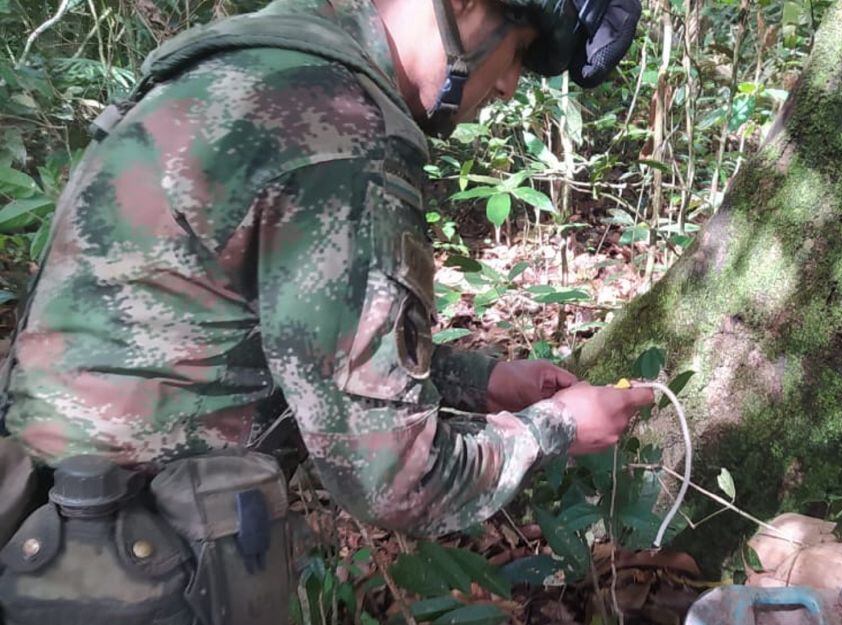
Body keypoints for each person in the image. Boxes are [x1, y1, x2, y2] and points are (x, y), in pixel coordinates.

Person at [0, 0, 649, 621]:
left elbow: (284, 335)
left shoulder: (260, 61)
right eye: (519, 50)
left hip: (50, 529)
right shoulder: (336, 129)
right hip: (132, 570)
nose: (508, 84)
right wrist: (552, 428)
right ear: (467, 6)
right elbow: (394, 477)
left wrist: (483, 383)